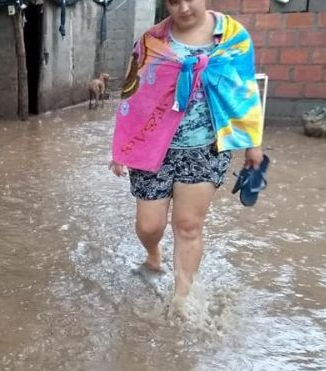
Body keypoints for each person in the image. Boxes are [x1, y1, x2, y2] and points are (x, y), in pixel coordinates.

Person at [109, 0, 264, 319]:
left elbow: (244, 91)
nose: (181, 7)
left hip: (205, 148)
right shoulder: (152, 41)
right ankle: (154, 254)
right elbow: (133, 95)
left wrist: (252, 144)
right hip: (153, 148)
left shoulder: (233, 37)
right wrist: (122, 148)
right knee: (149, 225)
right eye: (172, 1)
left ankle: (181, 298)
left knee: (189, 225)